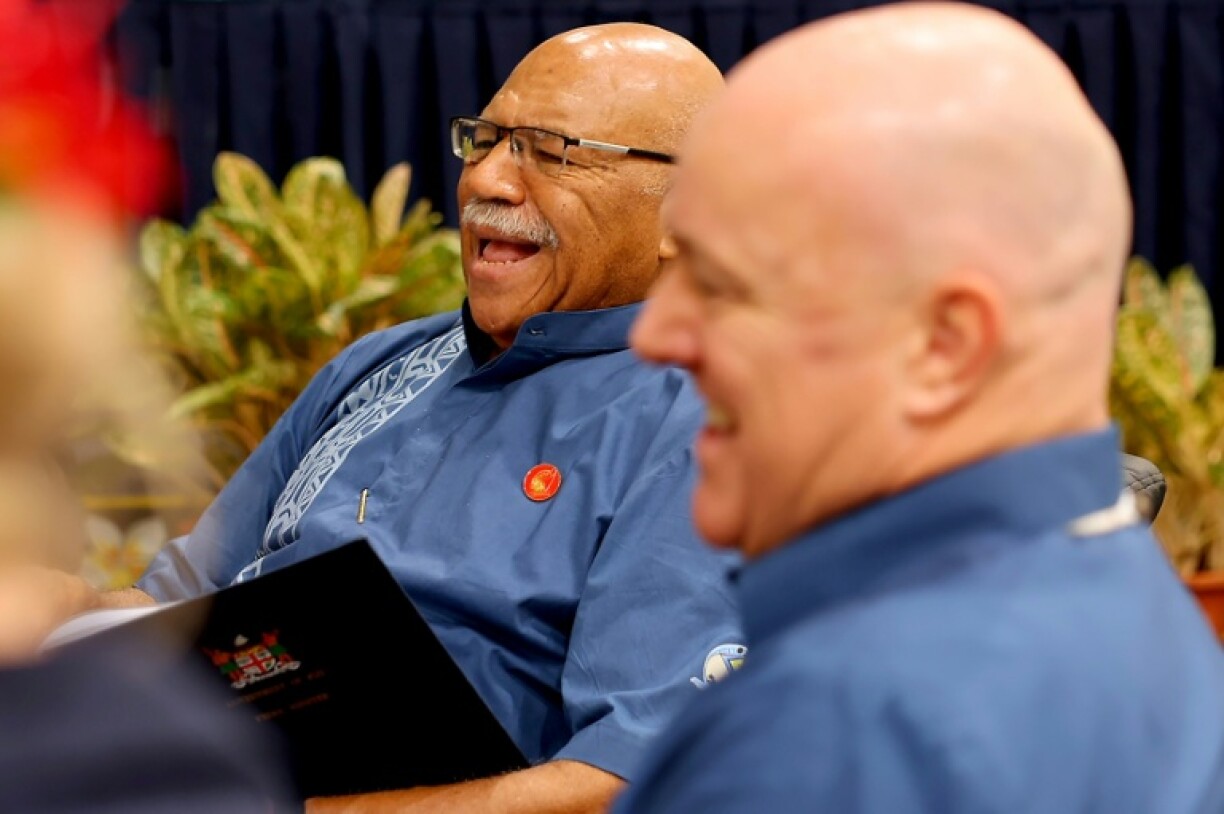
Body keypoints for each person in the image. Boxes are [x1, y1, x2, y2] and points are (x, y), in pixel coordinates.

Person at [15, 21, 745, 814]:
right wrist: (60, 605)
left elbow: (620, 779)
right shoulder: (381, 363)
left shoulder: (697, 419)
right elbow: (178, 608)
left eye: (552, 150)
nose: (490, 182)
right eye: (488, 139)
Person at [614, 3, 1224, 812]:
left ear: (947, 344)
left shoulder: (828, 733)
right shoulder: (1138, 608)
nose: (656, 335)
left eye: (722, 286)